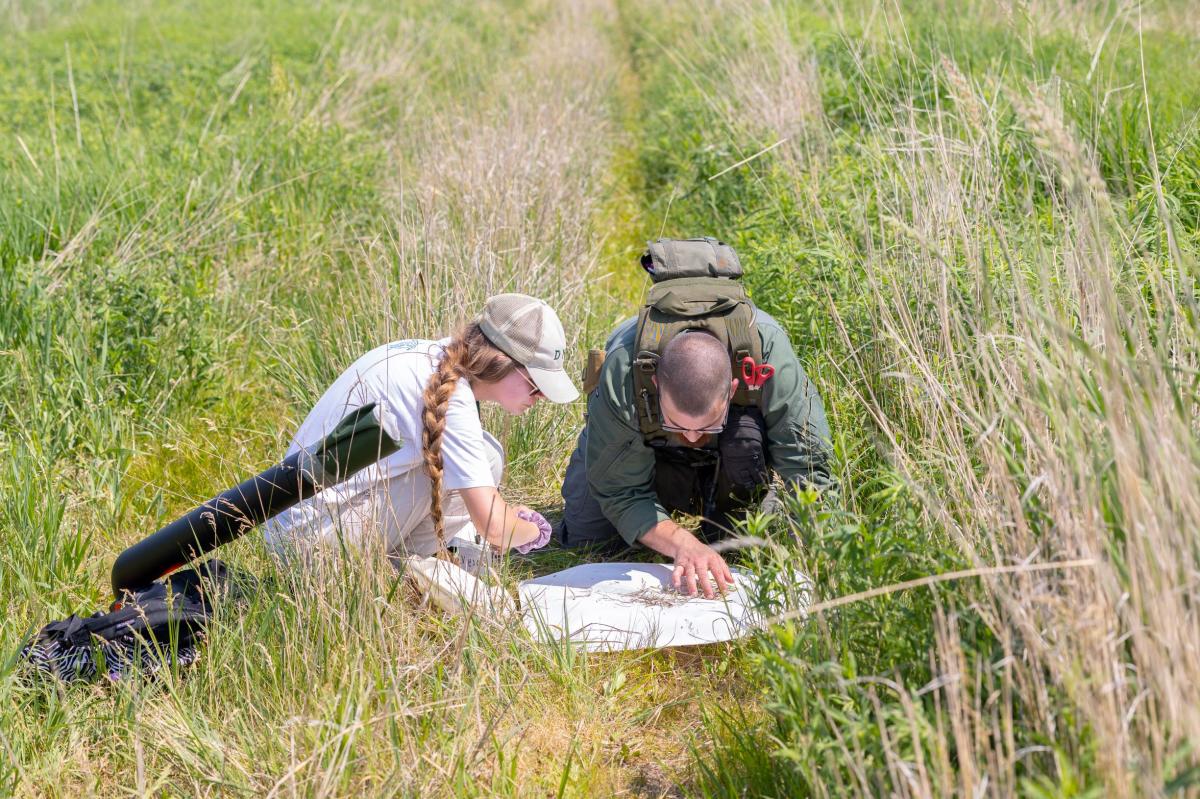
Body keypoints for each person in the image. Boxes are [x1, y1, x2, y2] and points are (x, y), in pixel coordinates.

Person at [558, 238, 834, 598]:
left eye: (705, 425)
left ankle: (733, 509)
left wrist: (822, 561)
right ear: (655, 384)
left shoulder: (769, 353)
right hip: (641, 448)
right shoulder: (625, 371)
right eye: (678, 425)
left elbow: (809, 466)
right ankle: (681, 499)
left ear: (732, 389)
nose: (691, 437)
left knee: (742, 542)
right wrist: (682, 543)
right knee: (586, 539)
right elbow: (619, 489)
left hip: (732, 451)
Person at [263, 293, 578, 563]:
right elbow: (494, 527)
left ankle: (406, 564)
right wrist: (534, 530)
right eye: (536, 385)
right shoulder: (453, 400)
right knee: (484, 460)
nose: (542, 397)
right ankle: (405, 568)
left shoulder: (434, 355)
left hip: (299, 522)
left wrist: (506, 518)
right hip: (310, 547)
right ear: (500, 361)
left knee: (486, 455)